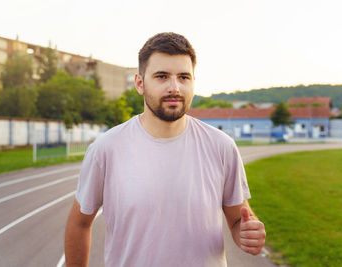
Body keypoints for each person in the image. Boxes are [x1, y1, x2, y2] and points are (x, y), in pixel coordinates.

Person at [65, 32, 266, 267]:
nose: (175, 87)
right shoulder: (106, 149)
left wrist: (246, 232)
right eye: (162, 76)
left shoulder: (221, 146)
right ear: (140, 83)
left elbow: (237, 220)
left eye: (183, 77)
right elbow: (79, 223)